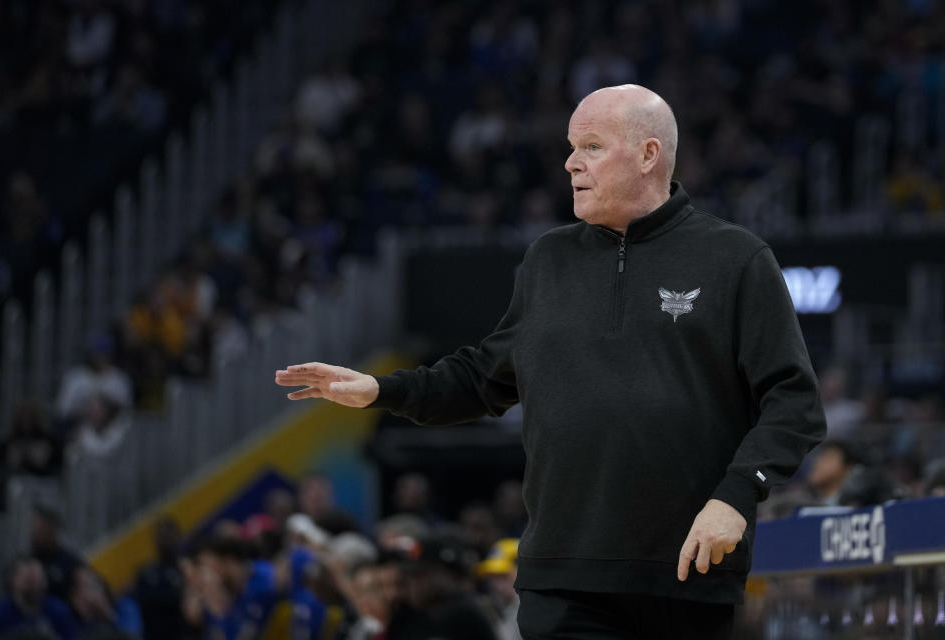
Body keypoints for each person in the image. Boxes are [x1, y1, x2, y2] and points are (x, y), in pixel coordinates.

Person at [275, 84, 826, 638]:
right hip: (560, 574)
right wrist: (380, 390)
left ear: (648, 154)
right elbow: (481, 378)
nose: (569, 162)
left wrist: (735, 495)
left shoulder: (735, 258)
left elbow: (793, 400)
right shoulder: (548, 260)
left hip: (684, 569)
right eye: (571, 146)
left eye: (590, 146)